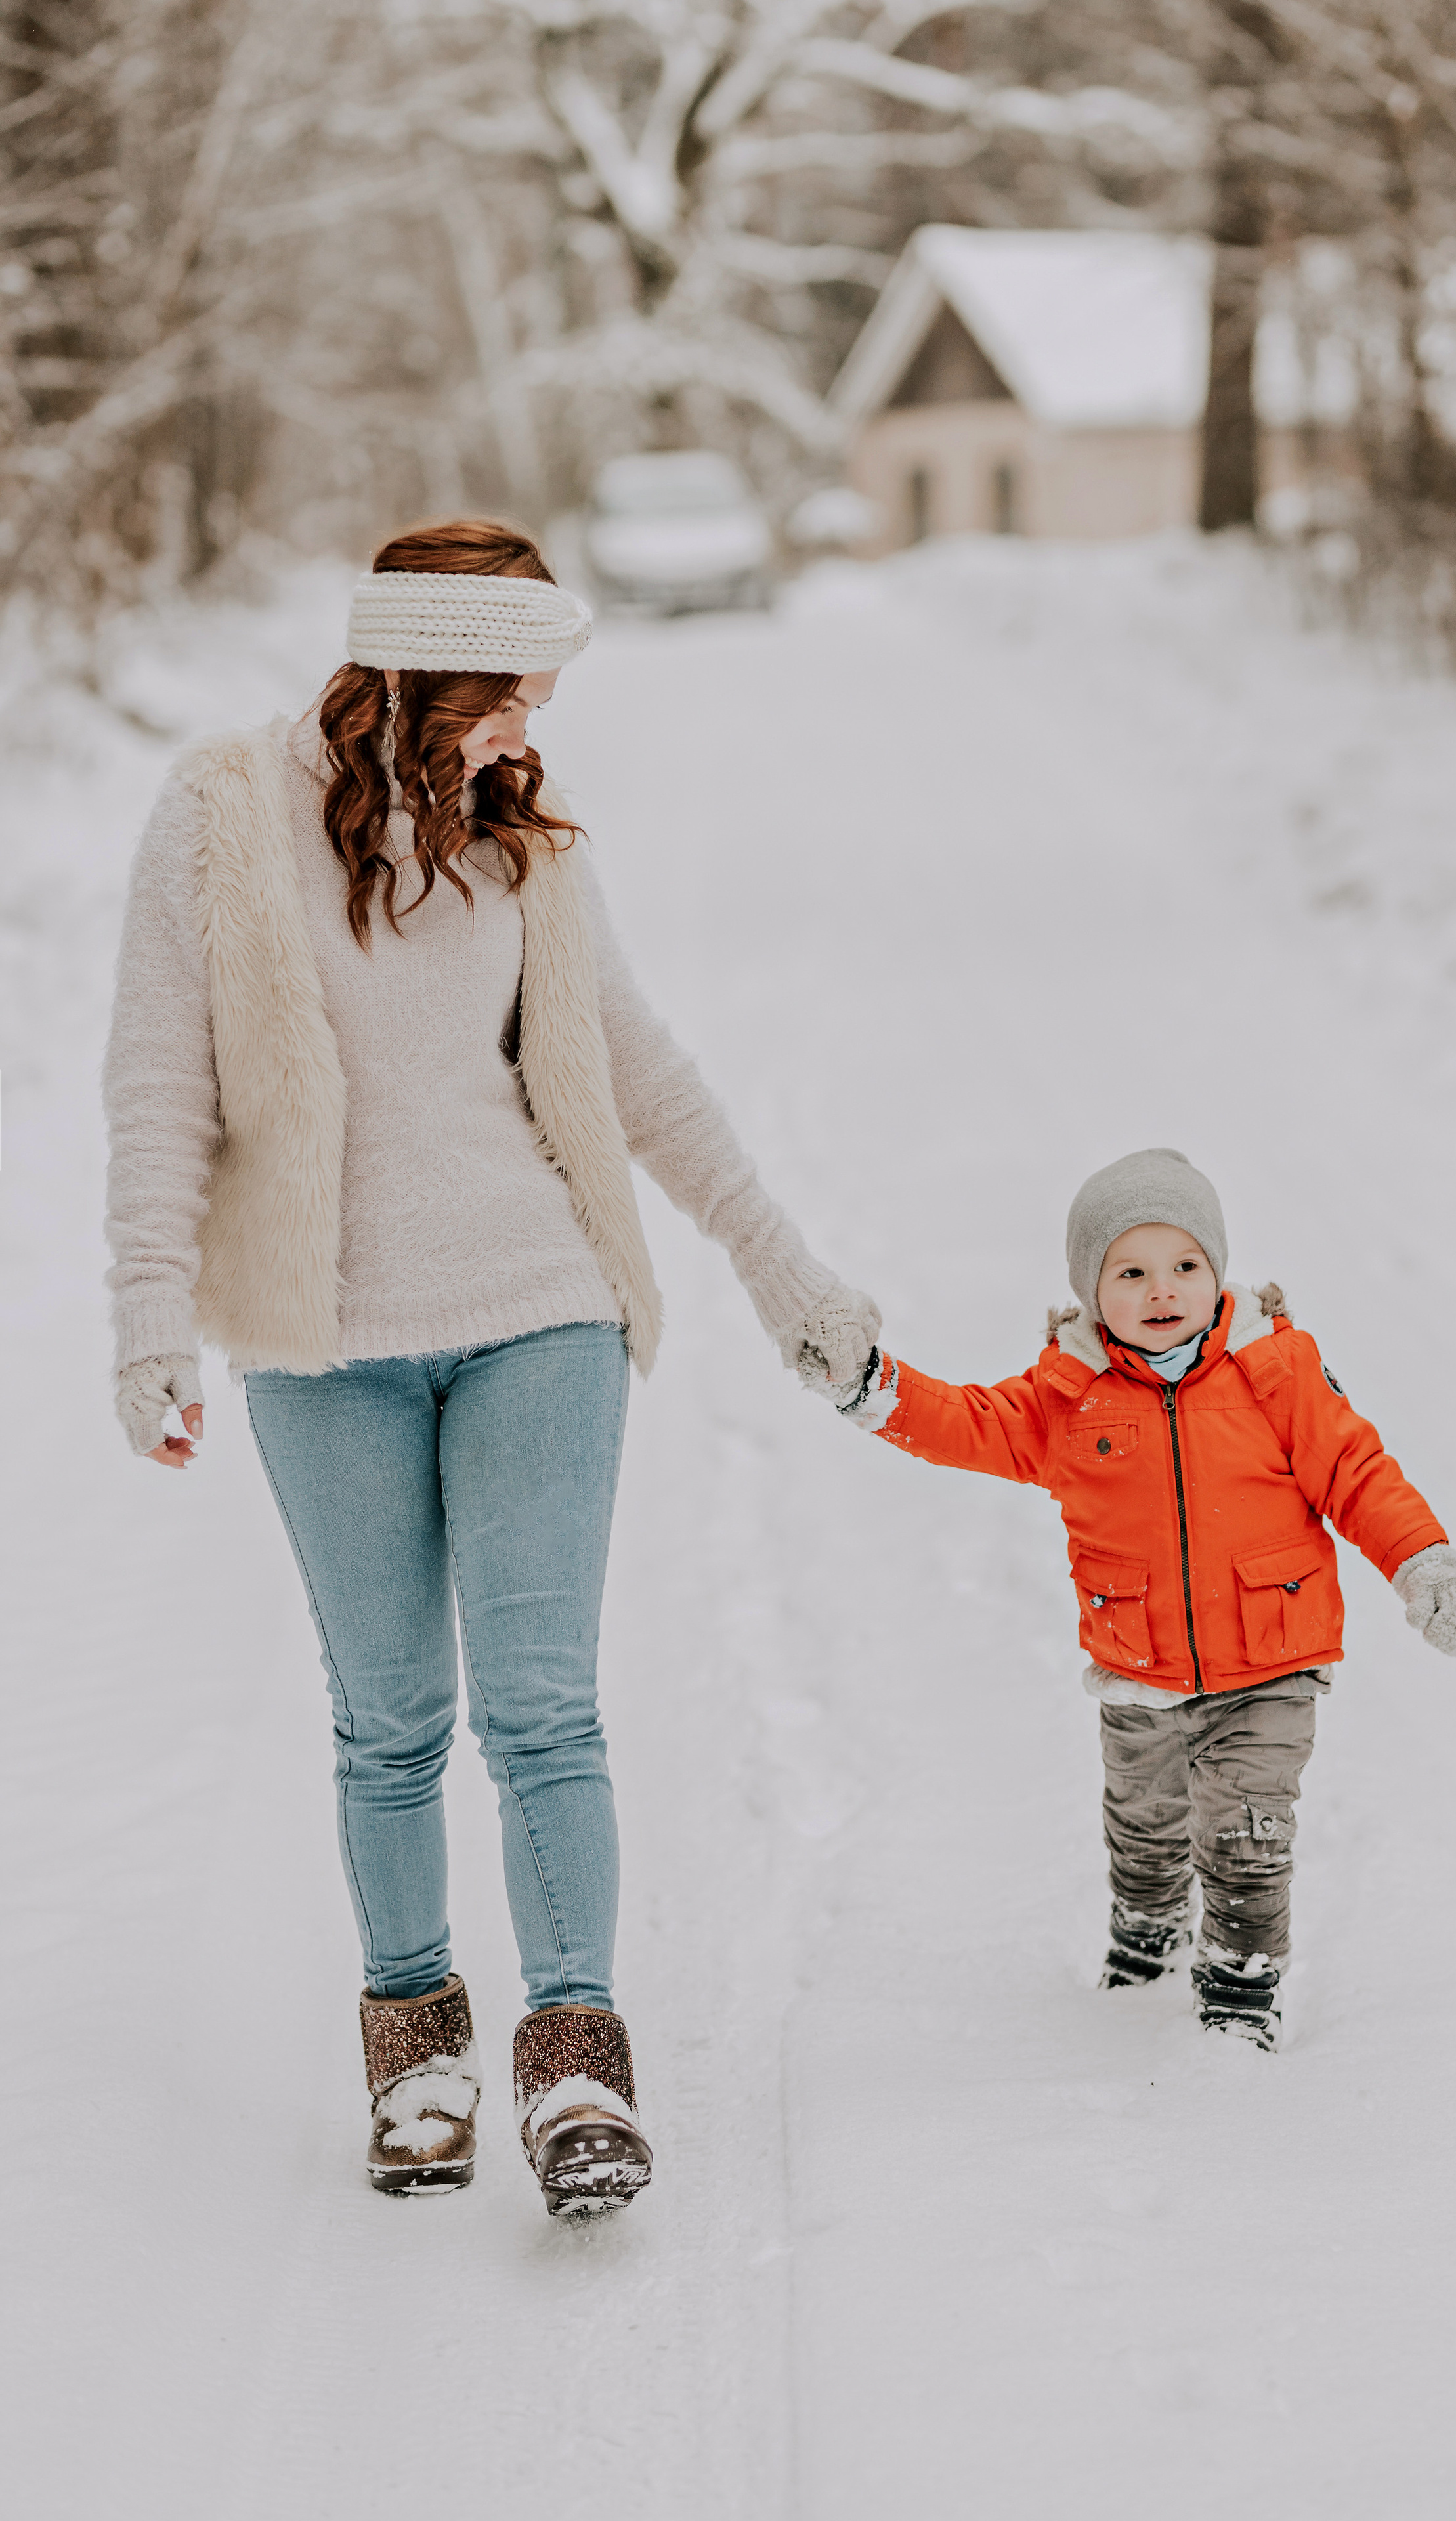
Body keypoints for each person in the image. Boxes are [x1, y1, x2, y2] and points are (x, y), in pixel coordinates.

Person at [102, 518, 880, 2213]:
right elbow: (160, 1078)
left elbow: (641, 1074)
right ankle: (417, 2047)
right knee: (388, 1723)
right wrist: (150, 1315)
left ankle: (578, 2063)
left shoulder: (526, 848)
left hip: (539, 1310)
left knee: (544, 1715)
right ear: (425, 664)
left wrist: (780, 1266)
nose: (534, 722)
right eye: (516, 685)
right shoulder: (223, 817)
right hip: (324, 1340)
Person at [804, 1146, 1456, 2050]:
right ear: (1092, 1291)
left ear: (1217, 1272)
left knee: (1248, 1825)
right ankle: (1147, 1930)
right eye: (1132, 1271)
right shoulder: (1067, 1399)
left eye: (1186, 1266)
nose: (1164, 1289)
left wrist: (1421, 1559)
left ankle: (1241, 1987)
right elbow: (964, 1424)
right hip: (1137, 1669)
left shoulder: (1276, 1372)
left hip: (1269, 1661)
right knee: (1147, 1826)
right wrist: (868, 1383)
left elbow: (1357, 1474)